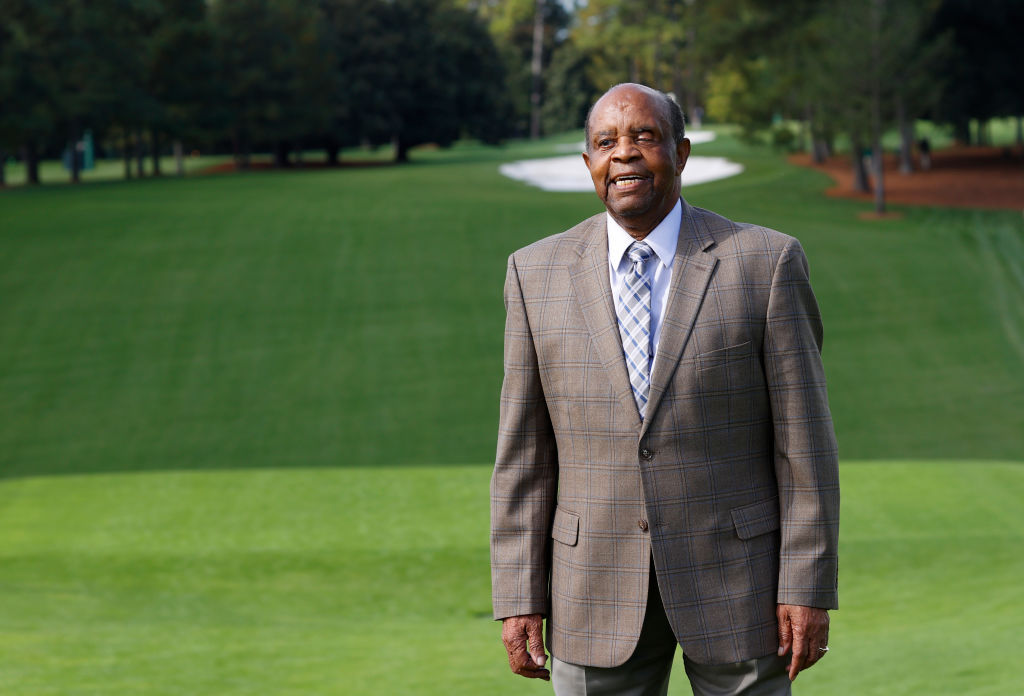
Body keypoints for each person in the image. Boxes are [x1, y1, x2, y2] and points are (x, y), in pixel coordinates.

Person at [490, 83, 839, 696]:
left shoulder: (766, 262)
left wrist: (806, 584)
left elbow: (804, 447)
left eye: (644, 137)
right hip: (591, 586)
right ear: (588, 164)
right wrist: (519, 594)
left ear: (681, 153)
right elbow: (524, 457)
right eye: (606, 142)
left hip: (741, 587)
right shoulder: (534, 273)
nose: (624, 154)